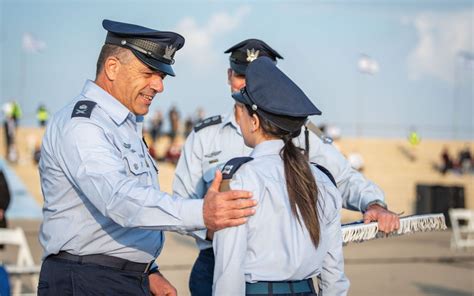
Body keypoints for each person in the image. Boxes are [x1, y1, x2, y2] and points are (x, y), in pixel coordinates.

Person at [37, 19, 255, 296]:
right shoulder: (84, 125)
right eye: (149, 72)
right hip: (87, 281)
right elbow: (119, 200)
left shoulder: (125, 124)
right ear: (112, 68)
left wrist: (148, 271)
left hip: (121, 279)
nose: (159, 86)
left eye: (161, 76)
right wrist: (202, 212)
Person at [173, 38, 399, 295]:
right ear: (229, 76)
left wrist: (373, 204)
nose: (248, 83)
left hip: (283, 266)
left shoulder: (303, 134)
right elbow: (183, 202)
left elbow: (343, 179)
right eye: (241, 74)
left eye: (257, 77)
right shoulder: (205, 135)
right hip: (216, 260)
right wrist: (214, 227)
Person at [213, 57, 349, 295]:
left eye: (241, 111)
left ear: (254, 121)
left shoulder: (241, 178)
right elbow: (333, 273)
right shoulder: (321, 179)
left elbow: (228, 269)